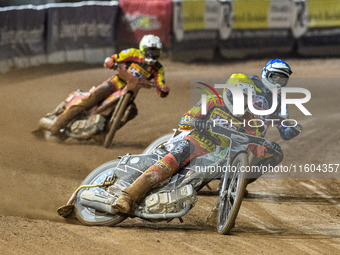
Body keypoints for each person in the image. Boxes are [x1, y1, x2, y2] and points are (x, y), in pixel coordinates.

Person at [113, 74, 282, 214]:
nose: (242, 101)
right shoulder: (212, 101)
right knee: (170, 162)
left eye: (246, 98)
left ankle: (219, 213)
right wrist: (196, 122)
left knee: (216, 178)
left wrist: (269, 150)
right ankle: (127, 196)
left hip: (219, 155)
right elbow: (185, 118)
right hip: (195, 143)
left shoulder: (248, 119)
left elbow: (254, 145)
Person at [48, 34, 170, 136]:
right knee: (94, 96)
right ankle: (58, 125)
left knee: (131, 112)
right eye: (150, 51)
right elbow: (114, 58)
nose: (152, 55)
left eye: (155, 52)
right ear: (143, 49)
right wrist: (111, 62)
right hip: (115, 83)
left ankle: (103, 134)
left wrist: (163, 90)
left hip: (130, 92)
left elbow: (161, 86)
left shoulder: (158, 68)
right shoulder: (133, 53)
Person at [246, 59, 303, 183]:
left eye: (282, 80)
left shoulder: (279, 102)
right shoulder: (251, 83)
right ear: (266, 74)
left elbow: (284, 133)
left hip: (254, 141)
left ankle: (239, 183)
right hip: (232, 129)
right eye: (276, 77)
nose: (279, 82)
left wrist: (293, 129)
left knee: (277, 154)